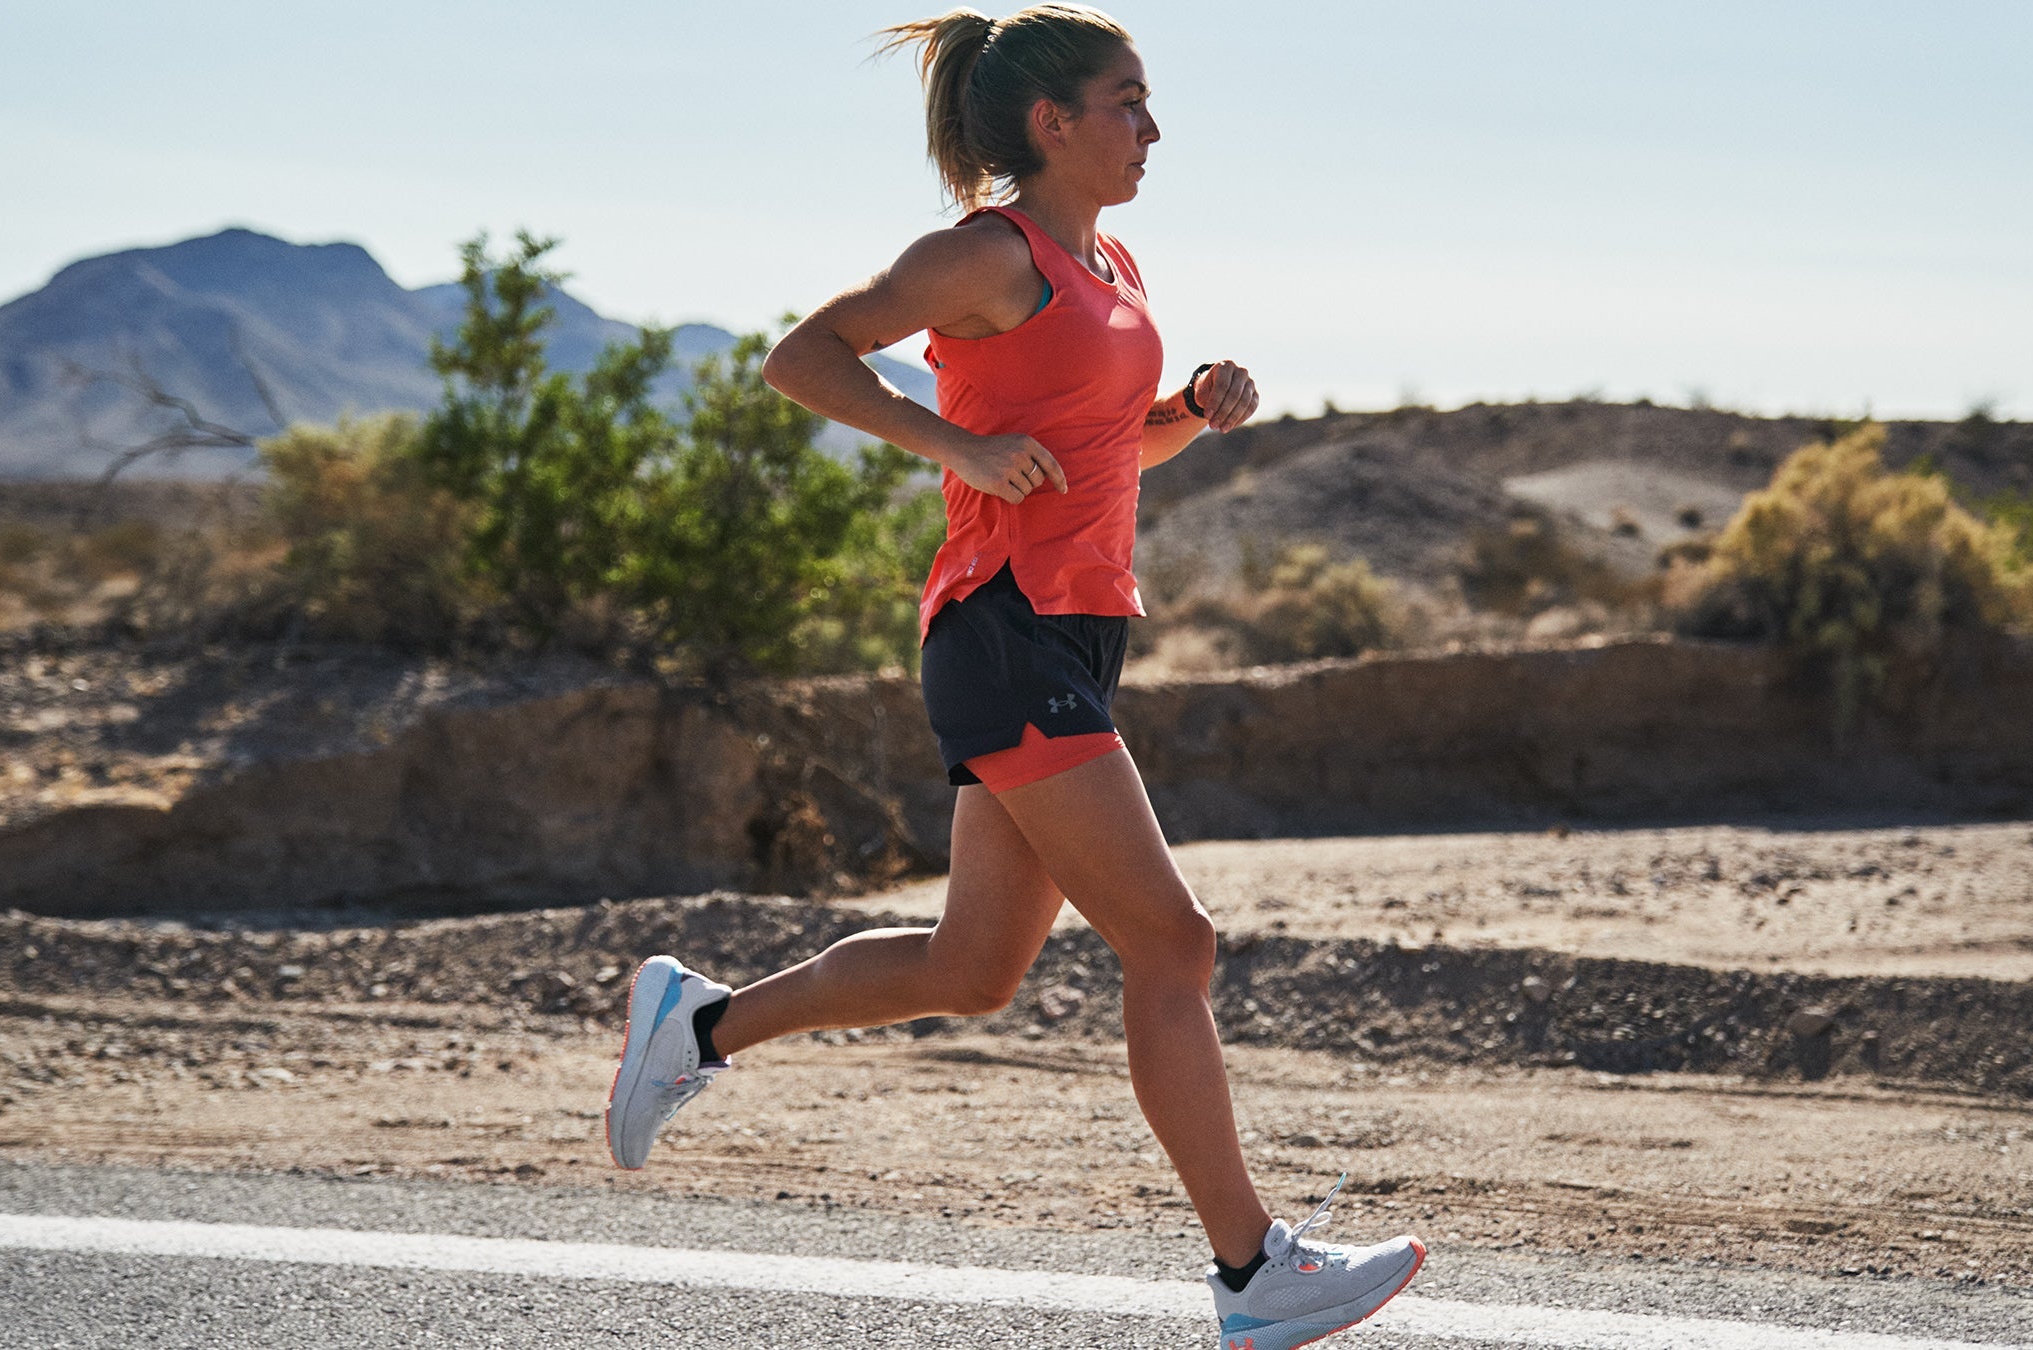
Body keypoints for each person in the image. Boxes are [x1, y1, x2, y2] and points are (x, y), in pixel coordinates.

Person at [605, 7, 1424, 1345]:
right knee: (1174, 942)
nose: (1153, 127)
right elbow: (800, 356)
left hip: (1073, 632)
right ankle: (1251, 1269)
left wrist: (1191, 410)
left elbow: (1101, 447)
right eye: (1129, 101)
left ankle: (694, 1028)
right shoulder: (991, 250)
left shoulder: (1110, 260)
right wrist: (951, 446)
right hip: (1005, 628)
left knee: (976, 965)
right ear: (1052, 123)